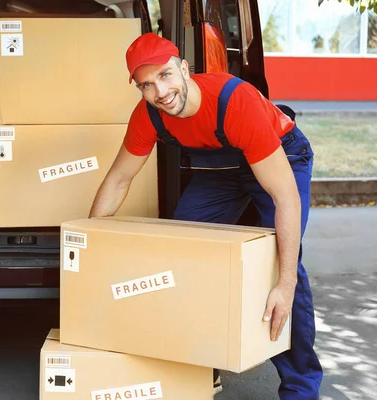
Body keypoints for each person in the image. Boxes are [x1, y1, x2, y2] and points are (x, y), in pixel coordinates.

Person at [88, 33, 323, 399]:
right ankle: (201, 365)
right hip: (222, 168)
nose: (160, 92)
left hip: (283, 158)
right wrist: (91, 249)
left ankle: (301, 387)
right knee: (187, 255)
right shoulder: (149, 116)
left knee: (279, 264)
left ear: (184, 68)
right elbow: (119, 180)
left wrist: (286, 280)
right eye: (147, 85)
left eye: (166, 75)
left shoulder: (235, 101)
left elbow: (285, 196)